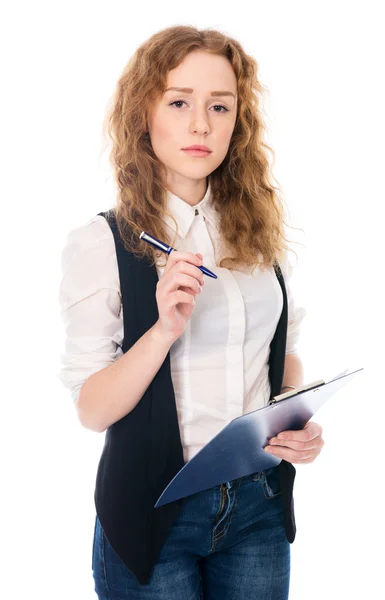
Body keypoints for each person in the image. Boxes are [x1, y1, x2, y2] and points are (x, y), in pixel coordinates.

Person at [58, 24, 324, 600]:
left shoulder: (259, 233)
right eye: (179, 102)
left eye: (219, 106)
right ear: (144, 114)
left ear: (237, 121)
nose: (201, 124)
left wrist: (291, 421)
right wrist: (162, 332)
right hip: (155, 515)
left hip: (258, 507)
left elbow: (284, 352)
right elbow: (91, 409)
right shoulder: (102, 243)